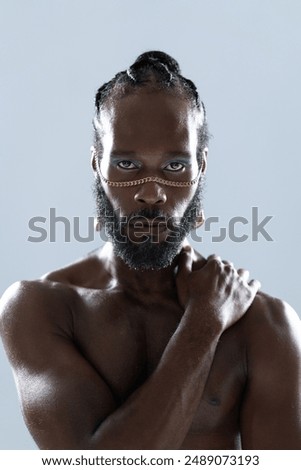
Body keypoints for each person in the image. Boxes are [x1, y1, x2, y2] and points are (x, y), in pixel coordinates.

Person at [0, 51, 300, 450]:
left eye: (175, 167)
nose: (151, 193)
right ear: (97, 166)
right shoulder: (41, 308)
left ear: (200, 168)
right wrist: (204, 324)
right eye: (127, 165)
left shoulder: (263, 323)